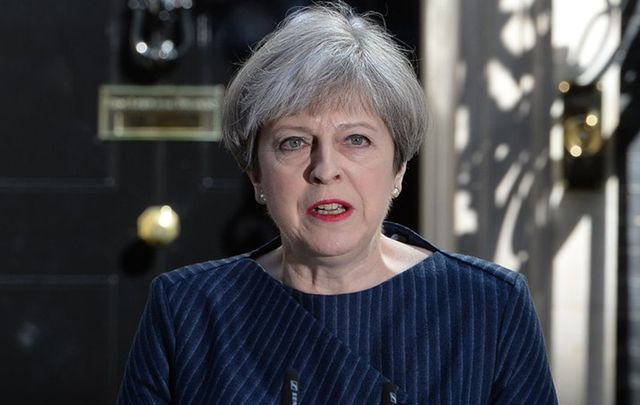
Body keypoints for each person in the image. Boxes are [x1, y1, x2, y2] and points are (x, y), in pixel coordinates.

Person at [117, 2, 558, 404]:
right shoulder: (186, 310)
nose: (325, 168)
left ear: (398, 169)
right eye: (293, 142)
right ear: (256, 175)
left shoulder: (489, 307)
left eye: (356, 140)